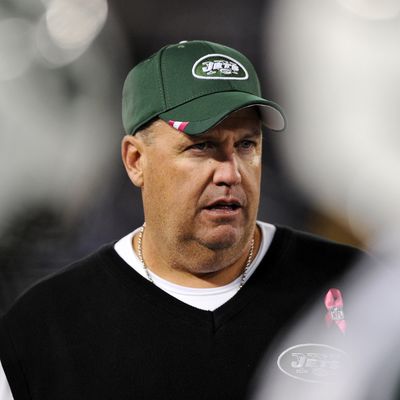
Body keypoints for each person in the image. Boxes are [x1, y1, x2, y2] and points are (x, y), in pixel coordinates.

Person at [0, 40, 364, 400]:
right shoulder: (45, 326)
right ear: (135, 161)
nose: (230, 173)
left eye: (246, 145)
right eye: (202, 146)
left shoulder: (355, 288)